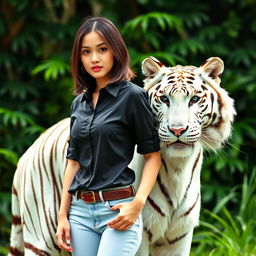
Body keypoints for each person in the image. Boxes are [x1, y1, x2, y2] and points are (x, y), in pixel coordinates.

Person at [56, 16, 161, 256]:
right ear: (79, 58)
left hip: (118, 210)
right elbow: (73, 163)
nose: (94, 58)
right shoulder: (78, 104)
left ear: (115, 51)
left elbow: (153, 156)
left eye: (102, 49)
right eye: (86, 52)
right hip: (80, 213)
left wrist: (138, 204)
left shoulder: (133, 97)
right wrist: (63, 214)